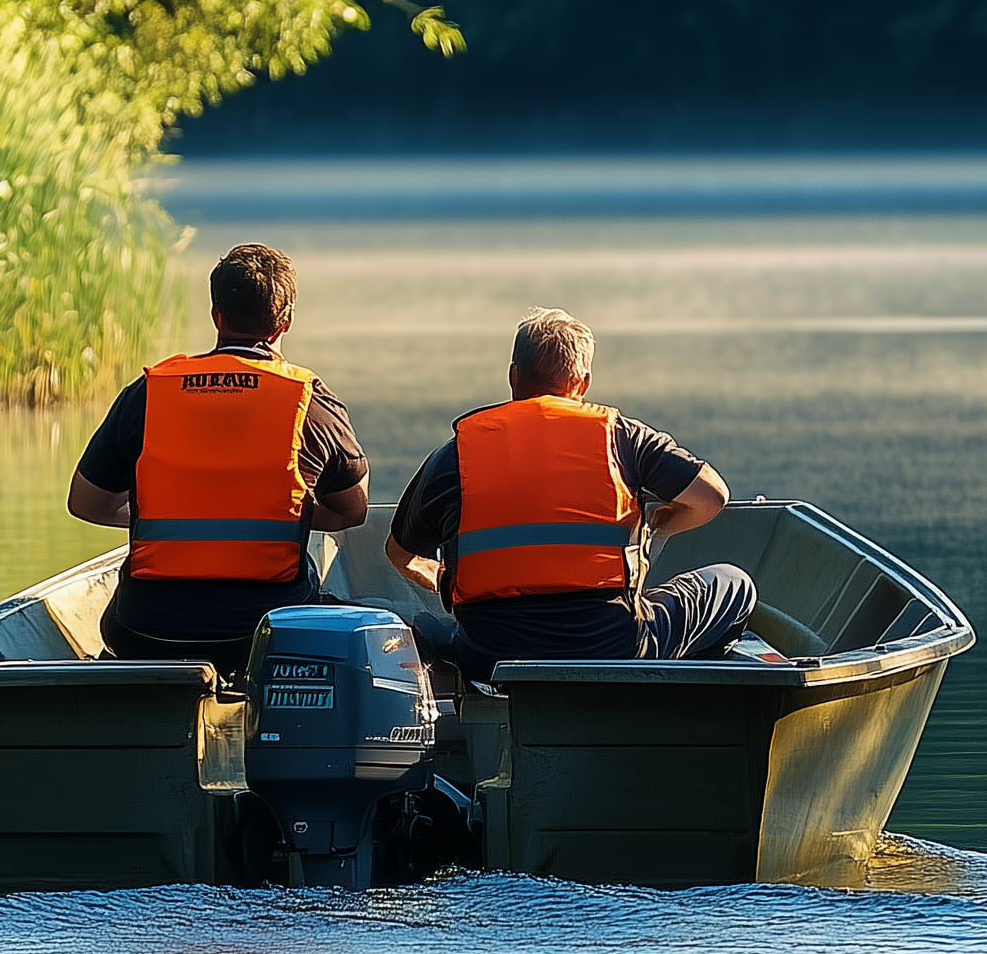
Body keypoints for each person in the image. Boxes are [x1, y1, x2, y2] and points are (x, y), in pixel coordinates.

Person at [385, 307, 757, 682]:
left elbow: (399, 554)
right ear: (583, 382)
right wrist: (662, 525)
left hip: (490, 656)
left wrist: (444, 579)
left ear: (514, 377)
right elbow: (712, 495)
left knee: (424, 628)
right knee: (734, 584)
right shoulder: (622, 438)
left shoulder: (456, 455)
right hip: (611, 648)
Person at [68, 243, 369, 668]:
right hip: (264, 632)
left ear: (216, 315)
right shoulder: (310, 401)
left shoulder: (148, 393)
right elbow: (351, 512)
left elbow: (85, 503)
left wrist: (159, 513)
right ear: (287, 321)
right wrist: (280, 510)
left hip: (146, 630)